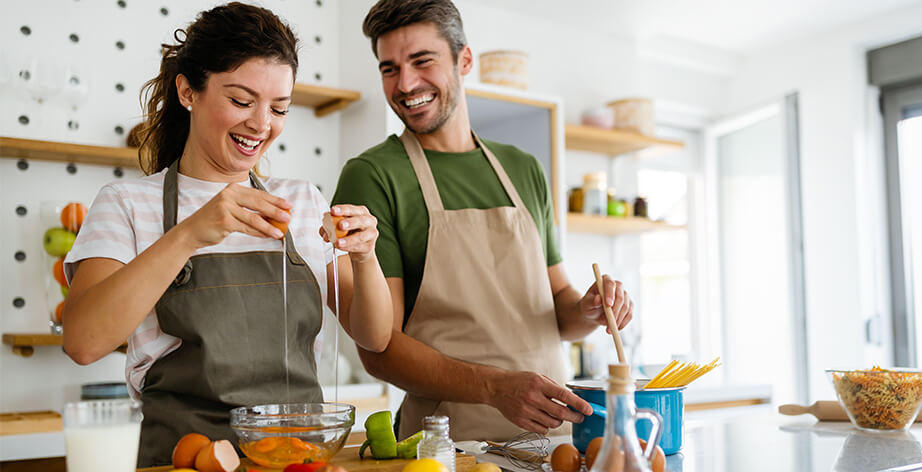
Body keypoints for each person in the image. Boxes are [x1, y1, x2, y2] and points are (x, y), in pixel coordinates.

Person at [61, 3, 393, 466]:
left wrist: (365, 255)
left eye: (279, 108)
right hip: (182, 458)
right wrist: (191, 232)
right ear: (187, 91)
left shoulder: (302, 202)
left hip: (295, 458)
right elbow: (82, 341)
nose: (261, 124)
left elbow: (375, 337)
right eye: (241, 101)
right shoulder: (126, 204)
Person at [332, 0, 634, 441]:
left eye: (422, 61)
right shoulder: (374, 175)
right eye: (389, 69)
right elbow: (380, 350)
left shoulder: (524, 168)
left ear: (464, 59)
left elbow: (559, 311)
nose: (406, 83)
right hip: (448, 450)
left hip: (555, 443)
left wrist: (591, 309)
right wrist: (495, 388)